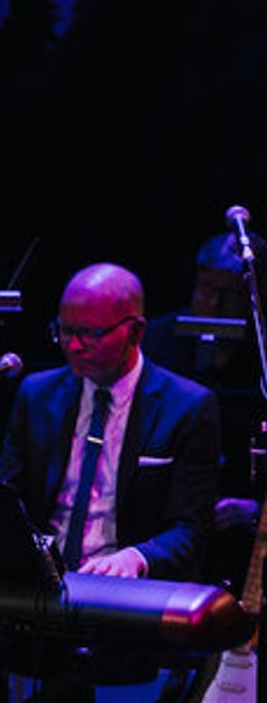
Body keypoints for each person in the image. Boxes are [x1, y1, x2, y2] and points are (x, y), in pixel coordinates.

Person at [0, 262, 219, 703]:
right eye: (63, 331)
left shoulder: (188, 405)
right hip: (46, 578)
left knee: (73, 677)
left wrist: (136, 556)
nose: (72, 346)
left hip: (124, 591)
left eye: (88, 334)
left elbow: (190, 531)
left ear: (135, 330)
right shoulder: (37, 394)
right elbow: (6, 497)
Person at [142, 231, 266, 592]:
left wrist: (255, 509)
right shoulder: (158, 341)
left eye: (228, 294)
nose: (212, 303)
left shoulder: (260, 354)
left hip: (240, 533)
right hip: (163, 522)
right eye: (205, 289)